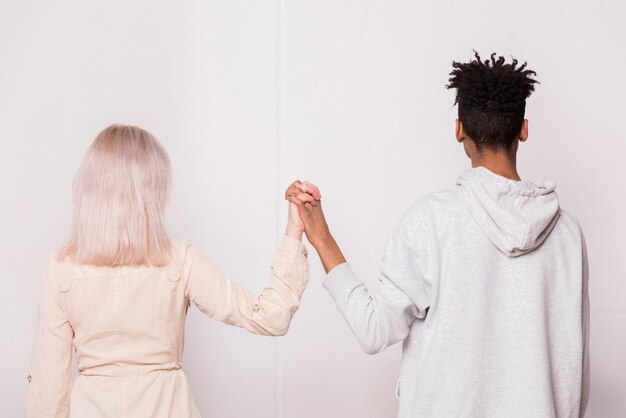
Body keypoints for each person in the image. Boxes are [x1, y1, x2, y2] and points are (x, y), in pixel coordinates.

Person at [287, 52, 590, 418]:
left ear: (459, 129)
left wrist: (321, 238)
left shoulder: (431, 221)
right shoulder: (568, 234)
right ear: (523, 129)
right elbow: (574, 366)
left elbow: (374, 330)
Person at [25, 124, 319, 418]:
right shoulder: (178, 260)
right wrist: (294, 231)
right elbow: (271, 317)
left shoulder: (60, 268)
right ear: (149, 194)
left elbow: (48, 392)